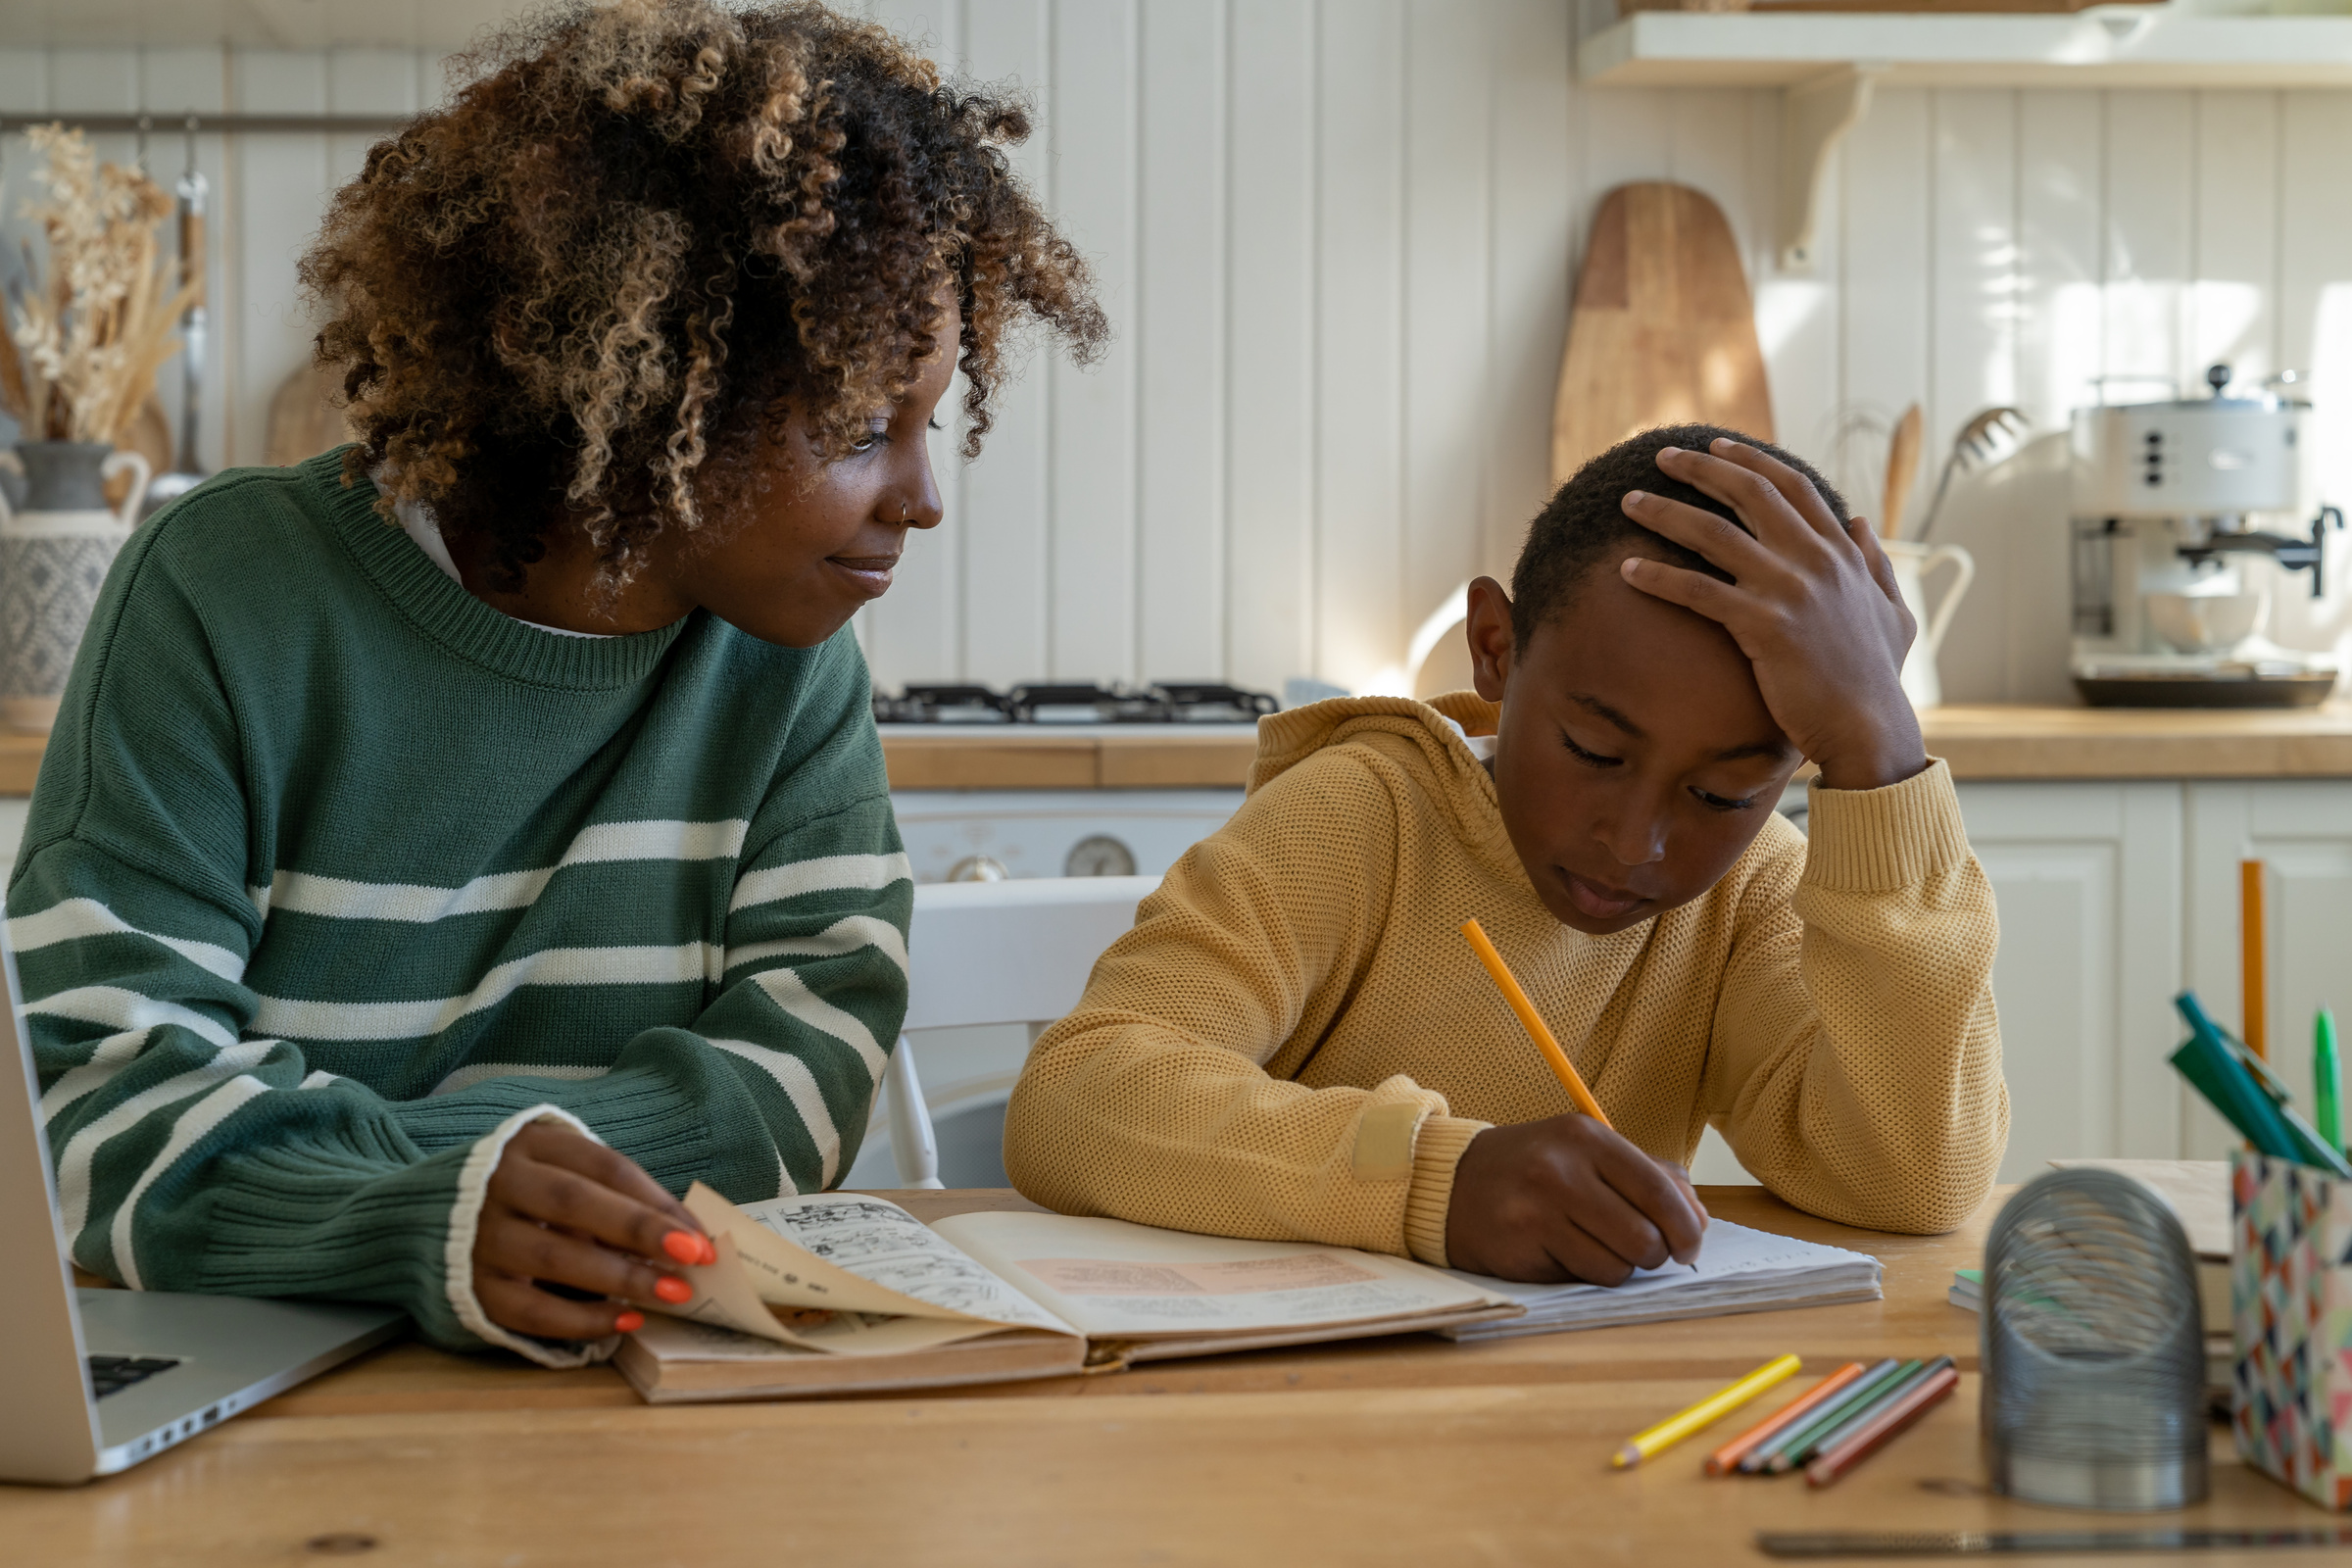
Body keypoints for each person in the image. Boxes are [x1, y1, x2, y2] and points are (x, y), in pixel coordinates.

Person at [14, 0, 1103, 1365]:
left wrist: (404, 1185)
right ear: (642, 394)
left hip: (636, 1373)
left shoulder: (792, 667)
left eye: (927, 423)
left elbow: (799, 1077)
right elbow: (98, 1102)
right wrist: (421, 1211)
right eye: (855, 426)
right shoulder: (221, 593)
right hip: (263, 1392)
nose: (923, 499)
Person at [1002, 427, 2005, 1284]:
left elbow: (1910, 1180)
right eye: (1595, 751)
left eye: (1722, 793)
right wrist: (1434, 1182)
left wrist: (1883, 758)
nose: (1636, 839)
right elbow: (1076, 1096)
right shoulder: (1358, 821)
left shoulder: (1749, 893)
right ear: (1496, 647)